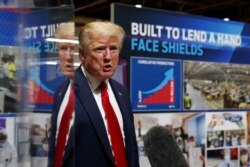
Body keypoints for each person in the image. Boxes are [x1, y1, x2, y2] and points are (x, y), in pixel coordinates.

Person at [74, 21, 139, 167]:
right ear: (82, 54)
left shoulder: (121, 92)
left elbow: (130, 147)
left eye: (114, 49)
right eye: (100, 49)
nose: (108, 57)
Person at [48, 22, 76, 167]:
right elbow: (55, 140)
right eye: (63, 48)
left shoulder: (102, 94)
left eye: (74, 48)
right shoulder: (60, 91)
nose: (69, 56)